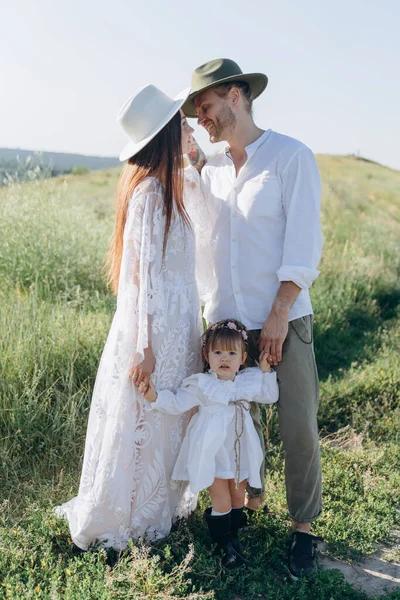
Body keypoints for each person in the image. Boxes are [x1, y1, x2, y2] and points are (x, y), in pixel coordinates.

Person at [182, 58, 323, 578]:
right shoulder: (211, 171)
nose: (202, 119)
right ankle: (236, 510)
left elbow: (304, 244)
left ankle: (304, 531)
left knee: (297, 427)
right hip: (225, 329)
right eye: (196, 113)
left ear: (235, 96)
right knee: (230, 425)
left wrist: (280, 313)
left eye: (206, 107)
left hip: (282, 318)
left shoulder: (291, 157)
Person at [56, 84, 207, 550]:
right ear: (164, 134)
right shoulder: (147, 195)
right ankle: (126, 513)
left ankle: (157, 505)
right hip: (154, 328)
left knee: (167, 419)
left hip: (180, 327)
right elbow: (139, 278)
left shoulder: (170, 185)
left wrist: (198, 162)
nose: (190, 126)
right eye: (181, 123)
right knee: (143, 417)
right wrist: (144, 345)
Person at [141, 319, 278, 568]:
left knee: (238, 497)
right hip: (212, 454)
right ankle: (224, 546)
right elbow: (178, 402)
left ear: (243, 357)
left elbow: (270, 396)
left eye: (231, 353)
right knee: (222, 499)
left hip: (240, 453)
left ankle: (233, 535)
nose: (224, 358)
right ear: (207, 355)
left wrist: (266, 371)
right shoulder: (203, 385)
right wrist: (155, 396)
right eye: (217, 353)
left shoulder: (247, 381)